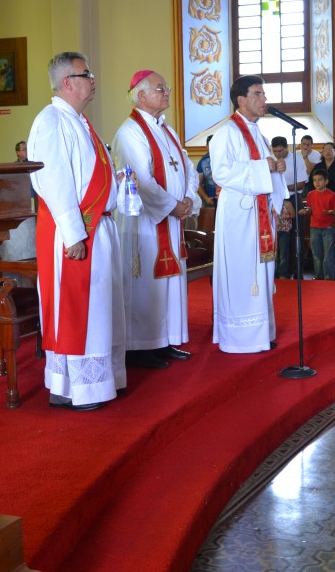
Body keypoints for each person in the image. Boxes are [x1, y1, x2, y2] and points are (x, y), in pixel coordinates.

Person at [27, 51, 126, 410]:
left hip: (97, 227)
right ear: (67, 82)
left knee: (99, 308)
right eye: (87, 74)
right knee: (79, 309)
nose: (93, 80)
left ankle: (98, 381)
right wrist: (74, 234)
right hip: (75, 232)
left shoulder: (80, 121)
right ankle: (76, 389)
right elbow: (54, 181)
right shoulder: (51, 120)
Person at [112, 70, 200, 370]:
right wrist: (172, 205)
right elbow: (142, 180)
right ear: (141, 96)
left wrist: (188, 199)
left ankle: (164, 339)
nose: (167, 93)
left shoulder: (166, 129)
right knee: (145, 284)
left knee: (169, 284)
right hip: (144, 224)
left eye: (167, 87)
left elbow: (188, 166)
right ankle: (138, 346)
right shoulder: (129, 131)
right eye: (160, 88)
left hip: (172, 219)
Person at [209, 75, 292, 354]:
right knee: (243, 272)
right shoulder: (226, 133)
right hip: (239, 216)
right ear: (241, 100)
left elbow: (266, 169)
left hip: (260, 214)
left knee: (262, 272)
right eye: (258, 94)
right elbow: (221, 173)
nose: (264, 99)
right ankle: (240, 337)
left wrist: (282, 196)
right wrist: (266, 167)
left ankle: (260, 333)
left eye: (264, 94)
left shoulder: (258, 133)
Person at [273, 135, 307, 279]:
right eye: (275, 151)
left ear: (287, 147)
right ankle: (279, 271)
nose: (277, 154)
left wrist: (282, 188)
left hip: (292, 199)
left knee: (295, 237)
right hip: (275, 200)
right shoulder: (270, 160)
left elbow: (301, 184)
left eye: (280, 151)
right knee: (277, 238)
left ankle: (296, 271)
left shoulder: (297, 159)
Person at [298, 169, 335, 280]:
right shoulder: (311, 194)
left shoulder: (332, 195)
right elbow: (310, 209)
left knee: (328, 254)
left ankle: (328, 277)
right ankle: (318, 276)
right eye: (314, 180)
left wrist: (330, 212)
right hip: (314, 227)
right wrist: (305, 211)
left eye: (320, 180)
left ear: (326, 181)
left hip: (328, 228)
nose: (317, 182)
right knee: (316, 254)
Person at [197, 134, 218, 207]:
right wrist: (206, 198)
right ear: (207, 146)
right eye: (210, 145)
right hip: (209, 199)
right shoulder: (203, 161)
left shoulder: (226, 159)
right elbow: (198, 183)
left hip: (224, 199)